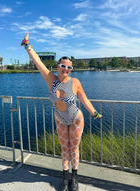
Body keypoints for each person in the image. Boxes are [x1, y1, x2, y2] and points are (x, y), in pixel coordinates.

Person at [21, 33, 102, 191]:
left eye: (69, 67)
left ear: (71, 70)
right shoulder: (51, 79)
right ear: (58, 66)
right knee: (64, 149)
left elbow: (84, 99)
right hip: (59, 118)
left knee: (74, 149)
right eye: (63, 66)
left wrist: (94, 112)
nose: (66, 69)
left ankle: (74, 179)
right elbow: (38, 63)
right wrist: (27, 46)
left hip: (76, 119)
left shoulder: (75, 82)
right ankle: (65, 180)